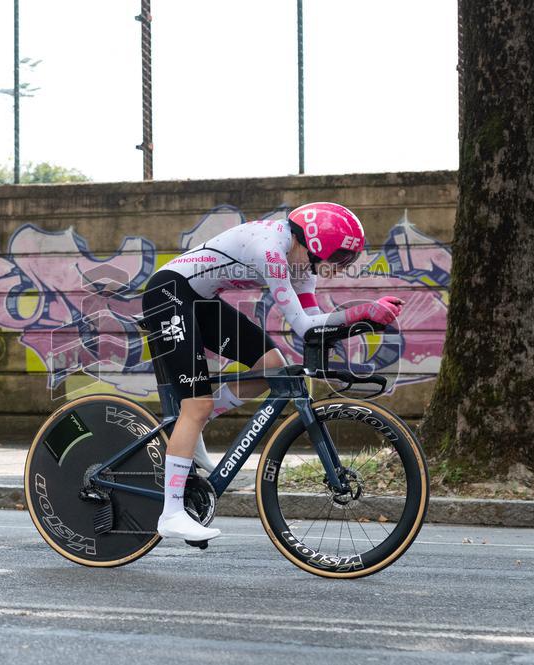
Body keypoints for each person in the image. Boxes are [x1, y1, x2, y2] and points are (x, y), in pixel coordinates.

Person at [140, 202, 404, 541]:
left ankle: (192, 426)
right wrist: (362, 312)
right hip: (168, 292)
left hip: (200, 300)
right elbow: (305, 326)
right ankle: (172, 513)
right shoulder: (271, 251)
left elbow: (313, 325)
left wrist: (362, 325)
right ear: (309, 243)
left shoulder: (301, 262)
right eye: (330, 261)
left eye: (339, 264)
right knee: (196, 404)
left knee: (273, 368)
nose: (329, 270)